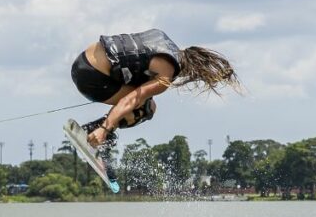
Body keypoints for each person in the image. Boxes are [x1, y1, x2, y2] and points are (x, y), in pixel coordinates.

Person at [70, 29, 239, 152]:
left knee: (146, 102)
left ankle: (98, 130)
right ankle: (98, 133)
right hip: (91, 78)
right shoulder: (166, 74)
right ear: (193, 71)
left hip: (82, 61)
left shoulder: (164, 40)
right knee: (146, 109)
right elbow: (130, 100)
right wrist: (106, 128)